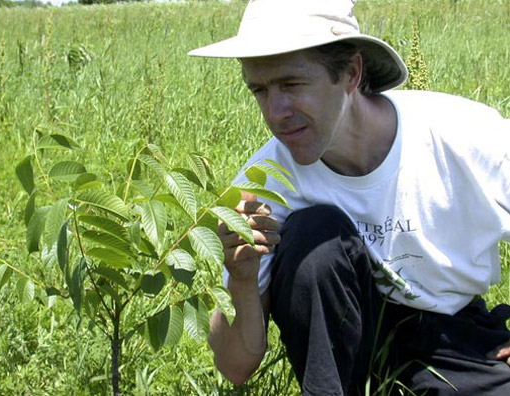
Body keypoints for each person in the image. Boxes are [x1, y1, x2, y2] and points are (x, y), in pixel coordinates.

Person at [188, 0, 510, 395]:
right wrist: (241, 277)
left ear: (351, 73)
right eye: (260, 90)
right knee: (314, 234)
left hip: (454, 341)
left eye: (292, 85)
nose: (275, 112)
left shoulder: (463, 136)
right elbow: (235, 367)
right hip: (343, 352)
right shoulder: (266, 184)